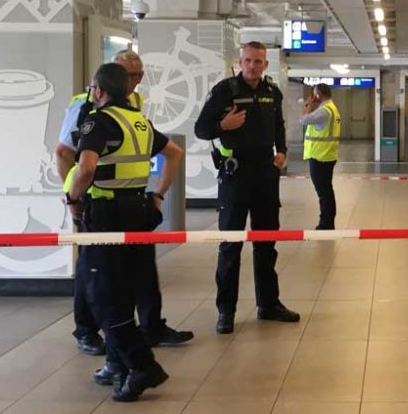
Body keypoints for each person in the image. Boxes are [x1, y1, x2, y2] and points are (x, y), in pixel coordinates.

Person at [55, 49, 192, 355]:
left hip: (133, 202)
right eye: (127, 75)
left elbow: (160, 150)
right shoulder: (84, 108)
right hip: (96, 201)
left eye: (138, 75)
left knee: (140, 269)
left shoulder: (134, 106)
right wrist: (74, 198)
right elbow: (64, 153)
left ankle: (149, 327)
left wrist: (156, 195)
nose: (133, 81)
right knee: (94, 272)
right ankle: (88, 331)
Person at [194, 41, 300, 334]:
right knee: (230, 245)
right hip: (235, 176)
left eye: (259, 61)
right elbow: (201, 129)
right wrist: (222, 126)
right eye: (248, 60)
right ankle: (225, 311)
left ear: (266, 64)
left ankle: (268, 304)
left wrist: (282, 151)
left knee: (266, 242)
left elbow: (278, 125)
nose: (253, 66)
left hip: (266, 174)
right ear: (240, 62)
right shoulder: (225, 91)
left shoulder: (272, 93)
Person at [302, 83, 341, 230]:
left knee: (324, 192)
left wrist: (307, 105)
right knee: (326, 190)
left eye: (314, 95)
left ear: (318, 95)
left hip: (320, 156)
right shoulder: (331, 108)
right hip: (327, 154)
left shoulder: (324, 111)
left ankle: (326, 223)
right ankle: (327, 222)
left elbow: (304, 120)